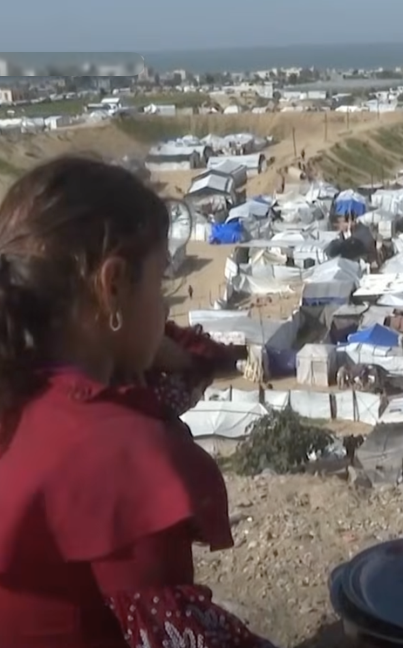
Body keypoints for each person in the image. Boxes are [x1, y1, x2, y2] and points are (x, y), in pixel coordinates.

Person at [0, 156, 274, 648]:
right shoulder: (115, 450)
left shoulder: (22, 387)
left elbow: (179, 374)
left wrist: (152, 342)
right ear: (113, 284)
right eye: (160, 280)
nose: (167, 305)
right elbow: (178, 638)